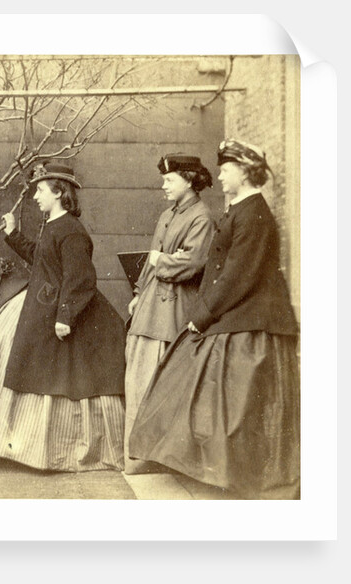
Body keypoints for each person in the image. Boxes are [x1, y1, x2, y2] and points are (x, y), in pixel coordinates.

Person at [129, 139, 300, 499]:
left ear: (244, 171)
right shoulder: (242, 209)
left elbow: (239, 275)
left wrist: (202, 316)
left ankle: (235, 475)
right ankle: (211, 468)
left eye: (225, 170)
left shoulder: (254, 213)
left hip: (253, 322)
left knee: (233, 402)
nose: (219, 176)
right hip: (237, 314)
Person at [0, 162, 126, 472]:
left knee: (62, 378)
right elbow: (43, 260)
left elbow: (79, 279)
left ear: (59, 192)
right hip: (41, 308)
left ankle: (50, 450)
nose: (35, 196)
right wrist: (13, 235)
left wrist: (65, 317)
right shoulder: (54, 224)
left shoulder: (72, 231)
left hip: (62, 314)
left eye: (40, 189)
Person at [123, 154, 215, 474]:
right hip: (150, 308)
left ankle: (159, 459)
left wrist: (159, 261)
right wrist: (137, 294)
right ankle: (139, 456)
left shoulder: (201, 217)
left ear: (189, 181)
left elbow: (192, 262)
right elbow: (154, 259)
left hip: (174, 310)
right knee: (138, 379)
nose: (163, 185)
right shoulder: (167, 215)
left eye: (169, 180)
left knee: (161, 384)